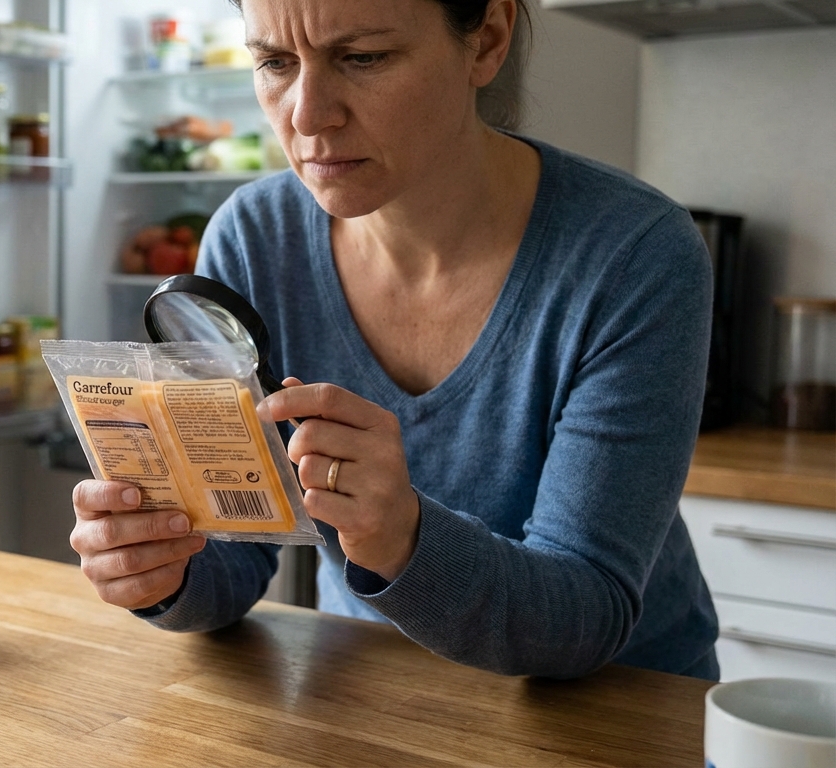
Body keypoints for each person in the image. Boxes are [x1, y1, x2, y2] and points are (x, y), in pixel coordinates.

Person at [70, 0, 720, 680]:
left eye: (363, 58)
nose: (307, 115)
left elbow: (585, 611)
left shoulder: (634, 256)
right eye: (274, 62)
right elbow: (235, 558)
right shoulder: (254, 239)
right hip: (377, 693)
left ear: (487, 41)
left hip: (624, 712)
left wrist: (405, 538)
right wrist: (161, 568)